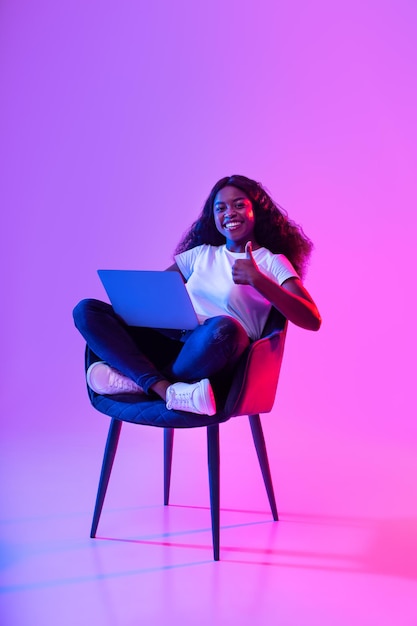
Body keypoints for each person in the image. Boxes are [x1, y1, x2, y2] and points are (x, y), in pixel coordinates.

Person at [73, 174, 321, 417]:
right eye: (220, 208)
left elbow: (312, 319)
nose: (229, 213)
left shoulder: (272, 262)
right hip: (174, 343)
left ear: (256, 211)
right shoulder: (199, 254)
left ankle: (139, 381)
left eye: (239, 205)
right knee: (87, 310)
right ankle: (166, 389)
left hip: (217, 351)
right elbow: (155, 294)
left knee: (224, 328)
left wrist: (259, 280)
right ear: (213, 217)